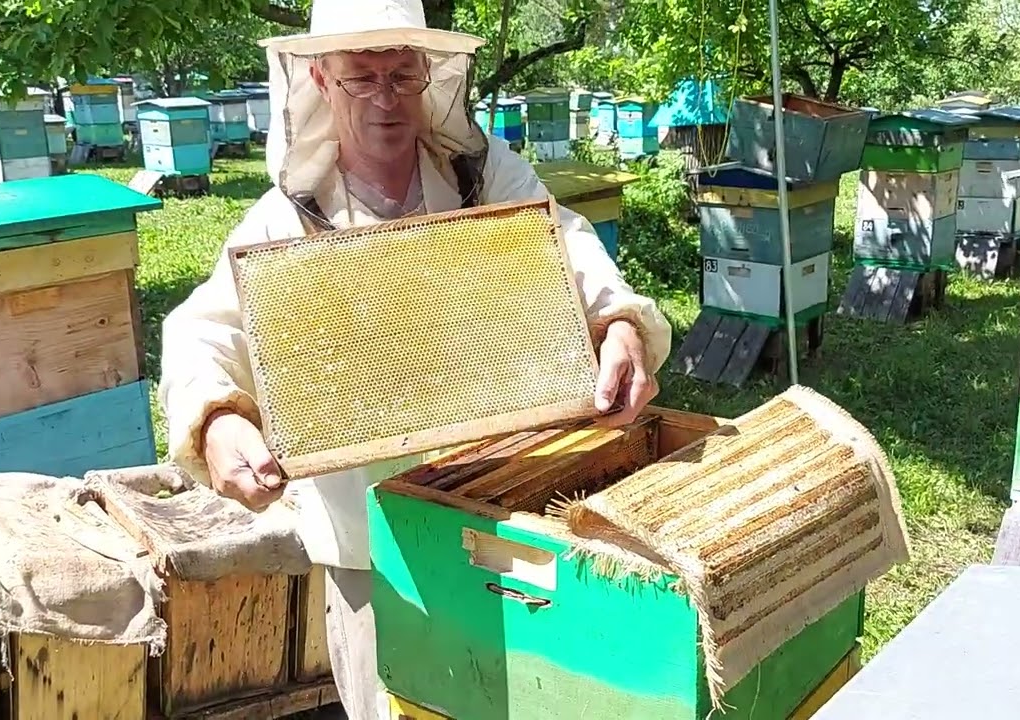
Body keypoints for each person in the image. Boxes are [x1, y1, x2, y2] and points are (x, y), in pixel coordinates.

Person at [157, 0, 673, 717]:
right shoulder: (285, 218)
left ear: (430, 72)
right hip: (373, 551)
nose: (386, 99)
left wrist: (618, 323)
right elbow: (202, 331)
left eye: (402, 75)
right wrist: (216, 419)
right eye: (361, 77)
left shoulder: (483, 178)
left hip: (507, 503)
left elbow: (571, 247)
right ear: (320, 77)